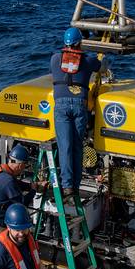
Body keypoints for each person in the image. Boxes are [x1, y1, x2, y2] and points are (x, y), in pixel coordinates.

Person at [49, 27, 101, 198]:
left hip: (61, 106)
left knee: (65, 147)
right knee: (78, 146)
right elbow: (101, 65)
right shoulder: (87, 61)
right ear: (80, 43)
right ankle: (76, 186)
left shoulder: (55, 59)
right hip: (80, 105)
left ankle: (67, 186)